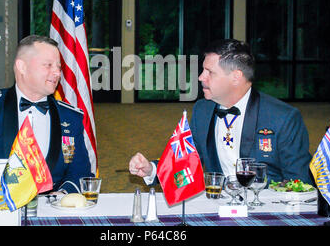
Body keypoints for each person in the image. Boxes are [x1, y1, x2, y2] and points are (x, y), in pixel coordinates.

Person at [129, 39, 313, 185]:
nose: (201, 77)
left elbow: (299, 181)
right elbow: (187, 163)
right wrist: (151, 170)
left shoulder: (283, 117)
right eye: (203, 70)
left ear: (236, 77)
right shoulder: (202, 110)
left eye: (210, 72)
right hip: (217, 204)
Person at [0, 35, 93, 194]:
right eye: (48, 65)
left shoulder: (69, 117)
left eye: (58, 66)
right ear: (22, 67)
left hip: (52, 209)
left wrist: (63, 195)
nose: (57, 72)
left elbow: (81, 172)